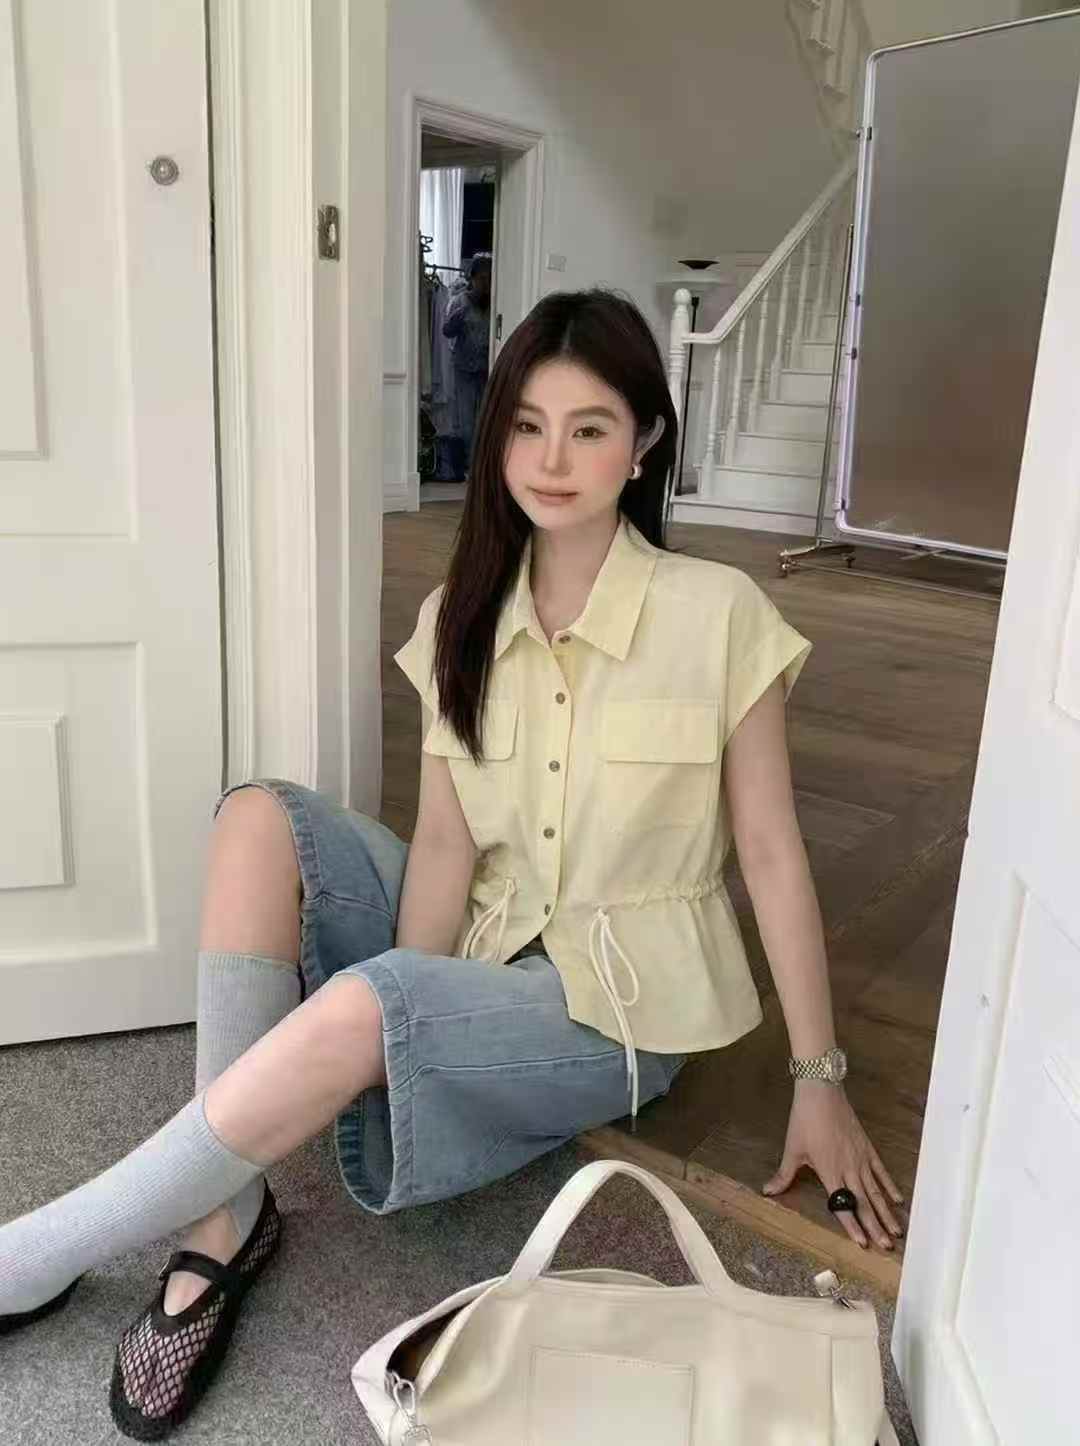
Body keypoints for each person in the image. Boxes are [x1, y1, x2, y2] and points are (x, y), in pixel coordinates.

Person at [0, 288, 904, 1438]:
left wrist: (819, 1080)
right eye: (526, 425)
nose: (552, 460)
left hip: (620, 1005)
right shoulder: (460, 613)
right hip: (485, 929)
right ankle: (223, 1222)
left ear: (644, 443)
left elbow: (771, 852)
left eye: (589, 428)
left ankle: (36, 1253)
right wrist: (414, 1012)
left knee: (370, 1004)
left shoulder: (718, 613)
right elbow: (443, 840)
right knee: (256, 819)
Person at [441, 253, 492, 477]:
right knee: (466, 420)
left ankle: (484, 463)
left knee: (487, 416)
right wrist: (456, 320)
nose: (486, 283)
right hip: (463, 368)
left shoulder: (497, 303)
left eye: (490, 278)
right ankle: (471, 465)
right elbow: (446, 331)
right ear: (472, 278)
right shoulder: (459, 301)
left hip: (487, 369)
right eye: (482, 278)